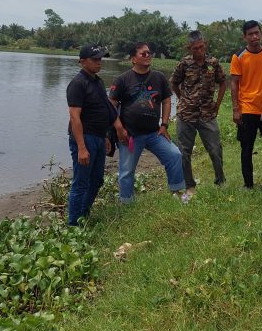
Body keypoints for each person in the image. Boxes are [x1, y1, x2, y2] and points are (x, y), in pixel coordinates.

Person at [109, 42, 188, 203]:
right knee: (126, 171)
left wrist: (164, 125)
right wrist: (118, 128)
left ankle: (178, 193)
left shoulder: (158, 77)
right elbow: (111, 106)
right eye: (143, 54)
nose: (147, 55)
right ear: (133, 59)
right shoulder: (123, 79)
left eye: (149, 53)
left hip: (154, 133)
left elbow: (166, 101)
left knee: (175, 155)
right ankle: (126, 203)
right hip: (130, 135)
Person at [66, 44, 118, 226]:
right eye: (95, 59)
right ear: (82, 62)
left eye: (100, 59)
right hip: (84, 138)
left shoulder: (98, 82)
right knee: (81, 182)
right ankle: (73, 224)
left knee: (96, 180)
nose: (99, 63)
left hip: (98, 138)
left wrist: (105, 136)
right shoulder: (77, 84)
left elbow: (103, 109)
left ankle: (83, 215)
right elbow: (74, 118)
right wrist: (81, 147)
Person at [171, 31, 227, 192]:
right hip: (186, 115)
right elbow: (174, 83)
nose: (199, 51)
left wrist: (217, 105)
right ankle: (189, 185)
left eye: (201, 47)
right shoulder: (184, 64)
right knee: (184, 151)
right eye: (195, 48)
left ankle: (220, 182)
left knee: (215, 149)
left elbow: (223, 82)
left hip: (208, 114)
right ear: (189, 48)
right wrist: (182, 99)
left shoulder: (213, 63)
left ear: (205, 44)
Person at [230, 20, 262, 188]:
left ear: (261, 33)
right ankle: (248, 184)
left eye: (257, 33)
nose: (254, 36)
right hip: (247, 108)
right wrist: (236, 109)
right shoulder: (239, 56)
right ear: (245, 37)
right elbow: (234, 83)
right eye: (250, 34)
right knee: (246, 148)